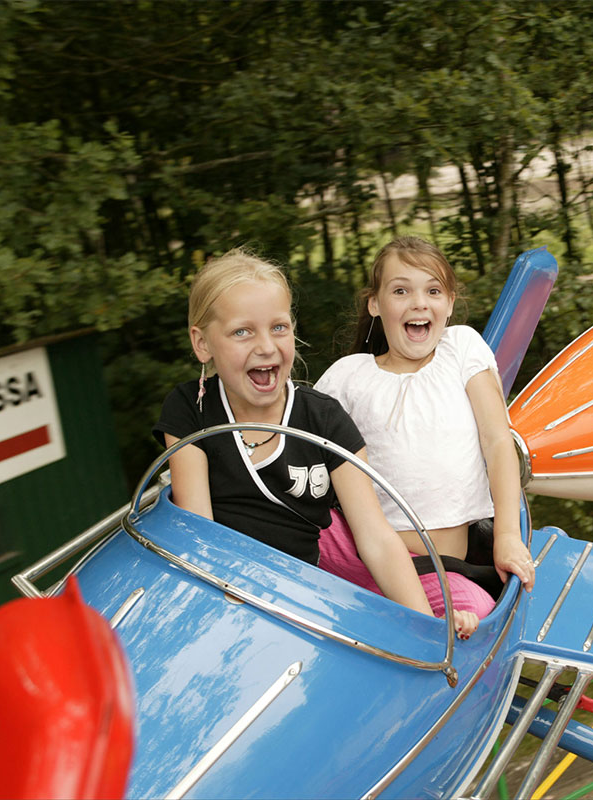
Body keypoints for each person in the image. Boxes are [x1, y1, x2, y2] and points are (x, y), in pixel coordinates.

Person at [153, 247, 479, 638]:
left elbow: (374, 537)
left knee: (471, 609)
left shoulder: (323, 418)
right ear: (202, 343)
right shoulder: (192, 408)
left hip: (305, 594)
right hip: (228, 588)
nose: (266, 346)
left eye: (279, 328)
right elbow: (199, 529)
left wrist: (425, 624)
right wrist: (229, 600)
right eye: (242, 331)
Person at [316, 236, 535, 621]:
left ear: (449, 303)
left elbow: (498, 441)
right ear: (375, 304)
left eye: (433, 290)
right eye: (401, 290)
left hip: (434, 571)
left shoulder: (460, 349)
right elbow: (301, 451)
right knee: (277, 516)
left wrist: (507, 535)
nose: (419, 302)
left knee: (479, 613)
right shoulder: (348, 375)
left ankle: (434, 625)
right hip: (354, 553)